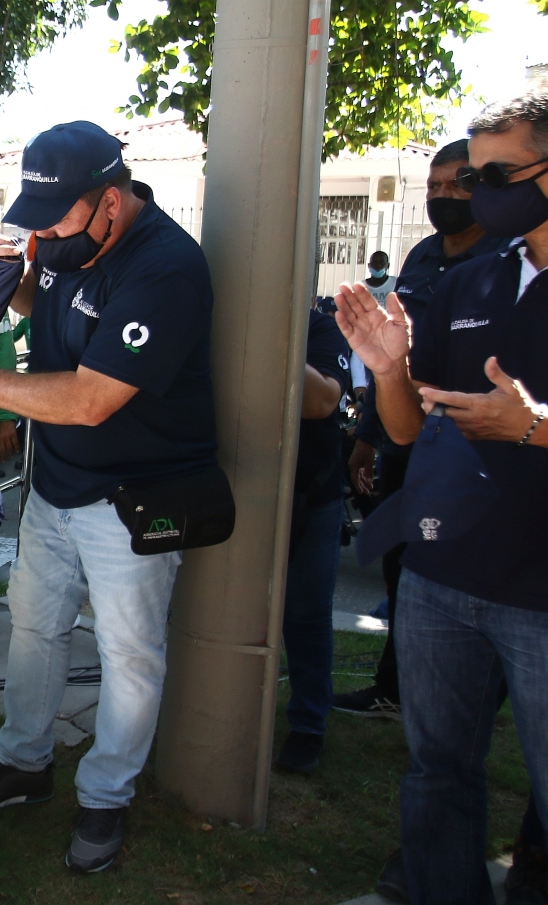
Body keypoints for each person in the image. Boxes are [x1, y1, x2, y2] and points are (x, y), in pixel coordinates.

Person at [0, 121, 218, 873]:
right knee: (33, 628)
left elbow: (92, 398)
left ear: (110, 201)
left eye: (55, 216)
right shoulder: (66, 244)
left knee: (129, 654)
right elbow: (35, 307)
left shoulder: (166, 267)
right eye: (34, 218)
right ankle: (24, 761)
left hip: (134, 498)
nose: (41, 232)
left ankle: (106, 796)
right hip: (55, 486)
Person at [333, 88, 548, 905]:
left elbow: (518, 424)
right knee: (439, 772)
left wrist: (531, 426)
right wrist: (389, 369)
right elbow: (410, 431)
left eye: (498, 173)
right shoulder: (470, 280)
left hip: (541, 591)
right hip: (443, 579)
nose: (474, 189)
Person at [339, 139, 509, 722]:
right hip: (408, 443)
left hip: (480, 450)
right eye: (433, 187)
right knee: (402, 563)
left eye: (457, 184)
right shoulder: (422, 258)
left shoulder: (506, 261)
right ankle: (397, 688)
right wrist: (367, 437)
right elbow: (394, 364)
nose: (443, 197)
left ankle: (474, 697)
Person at [273, 308, 350, 774]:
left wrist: (268, 337)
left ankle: (308, 726)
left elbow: (320, 401)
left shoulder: (318, 328)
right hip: (237, 486)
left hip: (311, 492)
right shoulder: (211, 314)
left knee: (305, 615)